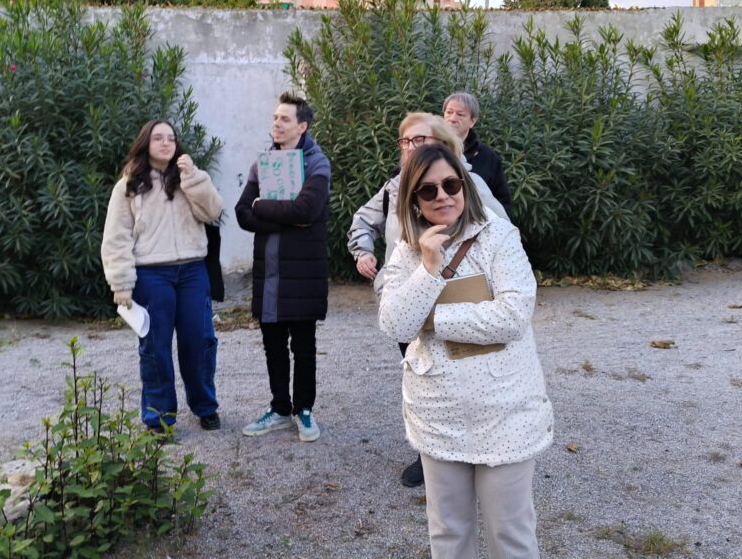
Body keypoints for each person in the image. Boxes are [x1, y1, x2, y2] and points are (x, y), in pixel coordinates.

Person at [378, 144, 552, 559]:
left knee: (510, 535)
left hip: (504, 413)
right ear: (413, 200)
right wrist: (429, 267)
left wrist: (434, 319)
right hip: (438, 416)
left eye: (451, 184)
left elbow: (512, 317)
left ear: (465, 185)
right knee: (448, 535)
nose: (442, 195)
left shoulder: (499, 237)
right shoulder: (407, 250)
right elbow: (395, 324)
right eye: (427, 190)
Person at [347, 111, 508, 487]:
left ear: (440, 143)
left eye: (419, 141)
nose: (410, 148)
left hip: (458, 296)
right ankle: (431, 452)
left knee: (466, 373)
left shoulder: (467, 183)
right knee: (422, 375)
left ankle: (479, 450)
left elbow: (504, 233)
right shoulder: (394, 187)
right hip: (406, 297)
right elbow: (362, 221)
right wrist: (363, 252)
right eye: (405, 142)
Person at [101, 119, 224, 433]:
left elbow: (212, 212)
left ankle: (205, 406)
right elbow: (116, 237)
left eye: (171, 138)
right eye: (158, 138)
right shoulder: (129, 184)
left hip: (193, 271)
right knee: (154, 346)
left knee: (199, 341)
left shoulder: (190, 178)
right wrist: (121, 284)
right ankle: (159, 416)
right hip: (152, 274)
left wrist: (192, 177)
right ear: (146, 143)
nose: (166, 143)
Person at [236, 92, 331, 443]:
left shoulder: (317, 163)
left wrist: (265, 207)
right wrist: (281, 216)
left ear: (302, 126)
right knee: (272, 345)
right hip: (270, 271)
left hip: (303, 272)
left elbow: (308, 211)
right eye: (275, 118)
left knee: (303, 346)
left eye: (285, 119)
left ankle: (303, 410)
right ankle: (279, 408)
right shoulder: (262, 164)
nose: (277, 123)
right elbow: (243, 213)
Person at [442, 92, 513, 217]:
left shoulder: (488, 158)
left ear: (472, 121)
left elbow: (502, 202)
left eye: (460, 114)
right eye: (449, 112)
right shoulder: (428, 150)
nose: (452, 118)